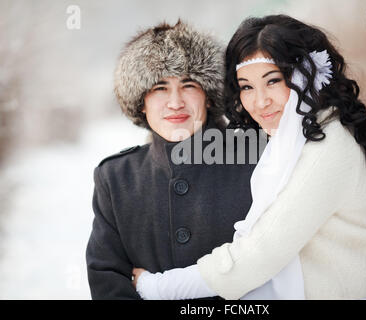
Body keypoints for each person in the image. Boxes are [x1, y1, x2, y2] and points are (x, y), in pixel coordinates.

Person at [132, 14, 366, 300]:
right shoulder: (289, 139)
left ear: (307, 74)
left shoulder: (327, 148)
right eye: (247, 86)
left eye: (273, 81)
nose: (260, 102)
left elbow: (259, 255)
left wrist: (155, 287)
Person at [85, 20, 258, 299]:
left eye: (188, 85)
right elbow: (107, 279)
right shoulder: (116, 178)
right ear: (141, 101)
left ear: (210, 98)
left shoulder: (254, 159)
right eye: (160, 88)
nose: (175, 102)